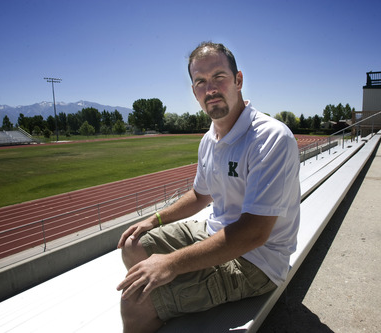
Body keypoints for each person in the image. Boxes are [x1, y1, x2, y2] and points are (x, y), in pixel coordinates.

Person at [116, 42, 301, 332]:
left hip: (257, 261)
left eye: (219, 77)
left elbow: (254, 233)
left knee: (134, 302)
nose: (210, 89)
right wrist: (155, 219)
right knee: (132, 245)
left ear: (238, 81)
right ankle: (173, 300)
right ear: (194, 92)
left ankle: (159, 305)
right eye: (200, 81)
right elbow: (201, 194)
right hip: (214, 233)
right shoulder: (209, 139)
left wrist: (172, 264)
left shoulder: (270, 138)